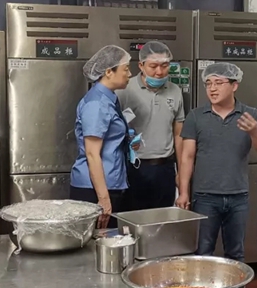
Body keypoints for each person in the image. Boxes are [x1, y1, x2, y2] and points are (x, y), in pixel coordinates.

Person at [175, 62, 257, 262]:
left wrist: (254, 131)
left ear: (234, 85)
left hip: (238, 196)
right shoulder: (196, 116)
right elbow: (187, 156)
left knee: (236, 253)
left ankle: (235, 284)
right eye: (208, 83)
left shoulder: (250, 115)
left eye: (219, 83)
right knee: (202, 252)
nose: (212, 88)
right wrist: (183, 192)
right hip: (204, 196)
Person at [70, 45, 133, 228]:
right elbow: (92, 154)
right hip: (95, 189)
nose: (129, 74)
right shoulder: (96, 104)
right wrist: (103, 199)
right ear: (108, 72)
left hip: (111, 183)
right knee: (96, 241)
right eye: (126, 69)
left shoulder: (109, 99)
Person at [117, 41, 185, 210]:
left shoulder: (175, 91)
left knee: (162, 220)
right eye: (153, 66)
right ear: (141, 65)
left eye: (165, 66)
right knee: (133, 219)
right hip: (134, 167)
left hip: (165, 169)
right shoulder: (125, 89)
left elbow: (178, 134)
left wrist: (181, 172)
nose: (159, 72)